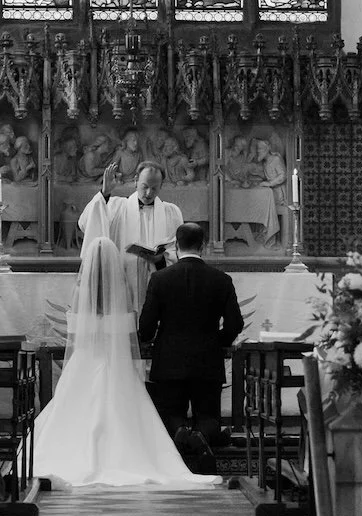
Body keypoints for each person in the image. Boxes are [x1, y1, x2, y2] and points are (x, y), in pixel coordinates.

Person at [32, 236, 221, 489]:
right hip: (116, 365)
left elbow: (76, 336)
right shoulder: (123, 289)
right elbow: (131, 332)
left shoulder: (80, 290)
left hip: (85, 363)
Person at [139, 222, 244, 452]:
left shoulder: (160, 279)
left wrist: (149, 341)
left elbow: (146, 326)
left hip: (168, 361)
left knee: (169, 415)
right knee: (208, 416)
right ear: (203, 246)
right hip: (207, 361)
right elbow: (235, 324)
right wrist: (217, 342)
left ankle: (181, 432)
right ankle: (200, 435)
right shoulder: (221, 280)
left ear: (176, 246)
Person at [78, 161, 184, 309]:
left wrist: (161, 259)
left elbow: (179, 250)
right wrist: (105, 193)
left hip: (158, 282)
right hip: (122, 281)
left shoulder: (171, 213)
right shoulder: (116, 207)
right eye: (145, 187)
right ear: (135, 181)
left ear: (161, 186)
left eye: (154, 188)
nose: (148, 193)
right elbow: (86, 223)